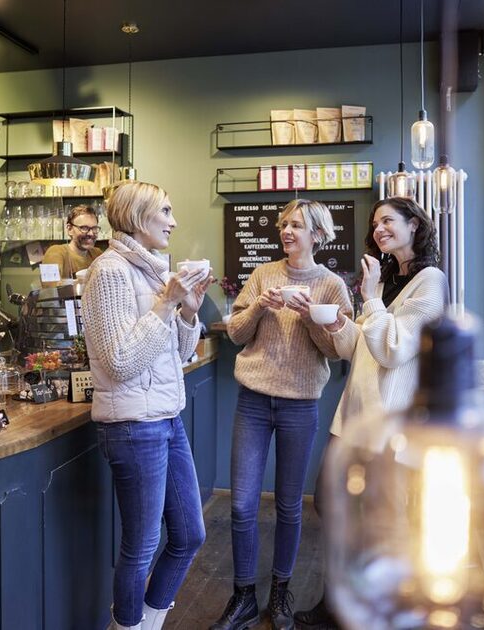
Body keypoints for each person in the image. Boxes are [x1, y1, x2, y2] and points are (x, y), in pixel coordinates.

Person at [294, 196, 449, 629]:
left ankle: (365, 607)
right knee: (331, 503)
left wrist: (372, 299)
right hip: (355, 415)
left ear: (415, 226)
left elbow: (395, 348)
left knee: (377, 518)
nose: (379, 229)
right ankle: (346, 600)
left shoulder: (430, 282)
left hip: (389, 423)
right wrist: (331, 322)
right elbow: (359, 348)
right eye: (375, 223)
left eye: (388, 221)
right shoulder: (389, 281)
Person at [212, 199, 352, 630]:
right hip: (253, 401)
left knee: (291, 506)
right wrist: (260, 306)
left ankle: (280, 592)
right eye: (284, 225)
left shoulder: (331, 285)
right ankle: (243, 597)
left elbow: (338, 350)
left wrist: (311, 318)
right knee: (242, 506)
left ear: (318, 235)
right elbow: (236, 334)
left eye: (297, 226)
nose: (287, 231)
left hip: (300, 404)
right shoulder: (262, 275)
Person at [82, 181, 212, 630]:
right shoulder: (109, 272)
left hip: (166, 417)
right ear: (138, 217)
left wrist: (189, 311)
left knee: (191, 534)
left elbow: (176, 355)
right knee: (140, 547)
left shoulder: (155, 271)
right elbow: (120, 362)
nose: (174, 222)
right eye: (166, 212)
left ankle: (146, 624)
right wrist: (167, 302)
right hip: (132, 426)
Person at [42, 204, 104, 287]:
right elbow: (49, 287)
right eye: (84, 228)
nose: (91, 233)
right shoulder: (55, 252)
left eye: (94, 228)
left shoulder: (97, 253)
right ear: (69, 229)